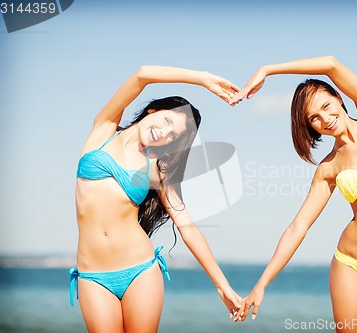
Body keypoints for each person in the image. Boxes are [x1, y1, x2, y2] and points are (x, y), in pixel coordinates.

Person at [231, 56, 357, 332]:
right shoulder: (329, 167)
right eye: (314, 118)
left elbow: (330, 64)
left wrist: (268, 70)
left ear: (339, 97)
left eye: (326, 106)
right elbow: (298, 227)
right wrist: (261, 284)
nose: (325, 119)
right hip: (351, 264)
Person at [69, 65, 242, 333]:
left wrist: (222, 285)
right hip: (93, 276)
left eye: (173, 136)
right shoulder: (103, 130)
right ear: (153, 110)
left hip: (140, 270)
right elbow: (142, 75)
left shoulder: (157, 170)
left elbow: (188, 228)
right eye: (167, 120)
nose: (163, 132)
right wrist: (203, 79)